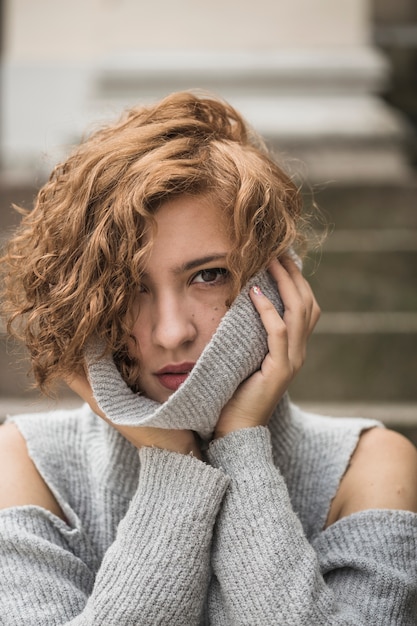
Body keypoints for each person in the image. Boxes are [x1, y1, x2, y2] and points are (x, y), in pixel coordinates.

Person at [0, 91, 416, 625]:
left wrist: (241, 444)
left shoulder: (367, 466)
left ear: (275, 282)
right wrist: (173, 464)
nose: (171, 333)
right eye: (129, 286)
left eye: (208, 275)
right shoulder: (25, 464)